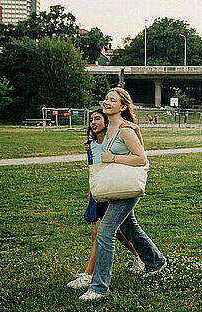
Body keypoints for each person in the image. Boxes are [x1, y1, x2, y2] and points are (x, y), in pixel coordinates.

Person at [79, 88, 167, 301]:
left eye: (112, 100)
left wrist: (114, 159)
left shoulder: (125, 129)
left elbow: (141, 159)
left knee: (105, 231)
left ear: (123, 106)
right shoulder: (110, 128)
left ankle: (99, 287)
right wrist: (94, 145)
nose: (106, 102)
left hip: (127, 188)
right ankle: (156, 261)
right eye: (106, 98)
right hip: (116, 187)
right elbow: (110, 150)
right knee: (130, 227)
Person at [67, 109, 145, 290]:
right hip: (102, 192)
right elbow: (94, 171)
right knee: (117, 231)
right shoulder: (92, 145)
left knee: (99, 233)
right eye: (91, 120)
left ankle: (88, 275)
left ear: (106, 122)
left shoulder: (113, 140)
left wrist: (136, 131)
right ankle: (140, 256)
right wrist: (91, 195)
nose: (94, 122)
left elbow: (139, 153)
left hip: (118, 190)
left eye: (98, 119)